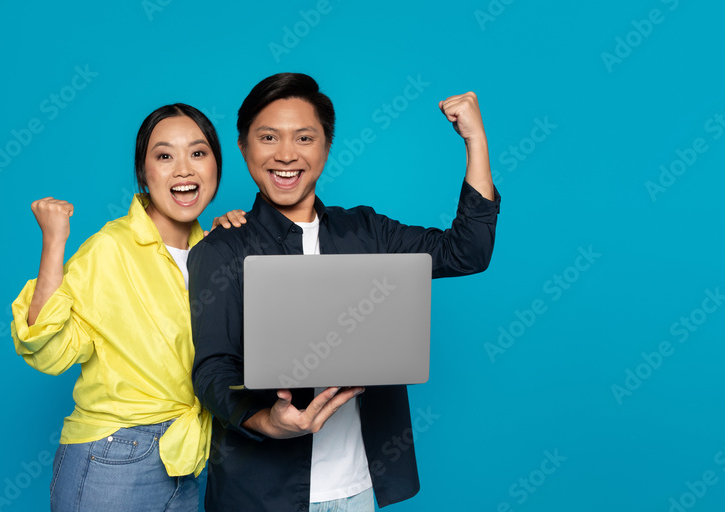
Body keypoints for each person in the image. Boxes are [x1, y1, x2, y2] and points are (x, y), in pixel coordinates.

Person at [188, 72, 500, 511]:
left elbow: (467, 252)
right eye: (268, 137)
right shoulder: (222, 248)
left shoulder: (367, 232)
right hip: (260, 495)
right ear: (243, 147)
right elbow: (212, 370)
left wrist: (475, 140)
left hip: (357, 490)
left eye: (304, 138)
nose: (285, 154)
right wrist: (266, 421)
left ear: (327, 147)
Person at [10, 103, 244, 511]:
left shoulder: (212, 251)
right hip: (113, 455)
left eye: (198, 152)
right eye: (165, 156)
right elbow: (48, 351)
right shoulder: (111, 248)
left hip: (184, 457)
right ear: (143, 172)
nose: (184, 169)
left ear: (216, 167)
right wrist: (54, 242)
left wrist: (237, 244)